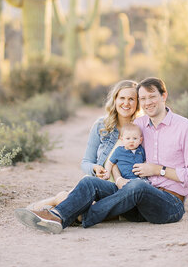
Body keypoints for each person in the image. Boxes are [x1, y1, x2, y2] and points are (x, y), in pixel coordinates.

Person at [15, 77, 188, 234]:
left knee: (138, 185)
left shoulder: (185, 127)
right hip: (136, 201)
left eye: (152, 97)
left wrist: (157, 170)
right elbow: (119, 154)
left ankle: (80, 216)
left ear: (164, 96)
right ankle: (57, 216)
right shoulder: (139, 125)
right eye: (143, 99)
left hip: (168, 205)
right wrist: (119, 178)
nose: (148, 103)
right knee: (91, 183)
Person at [16, 79, 141, 214]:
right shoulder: (101, 126)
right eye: (122, 98)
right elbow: (86, 162)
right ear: (115, 100)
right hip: (100, 185)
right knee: (75, 203)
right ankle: (47, 206)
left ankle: (53, 206)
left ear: (138, 102)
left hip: (125, 188)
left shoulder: (142, 128)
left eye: (131, 99)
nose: (126, 103)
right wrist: (94, 168)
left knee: (83, 214)